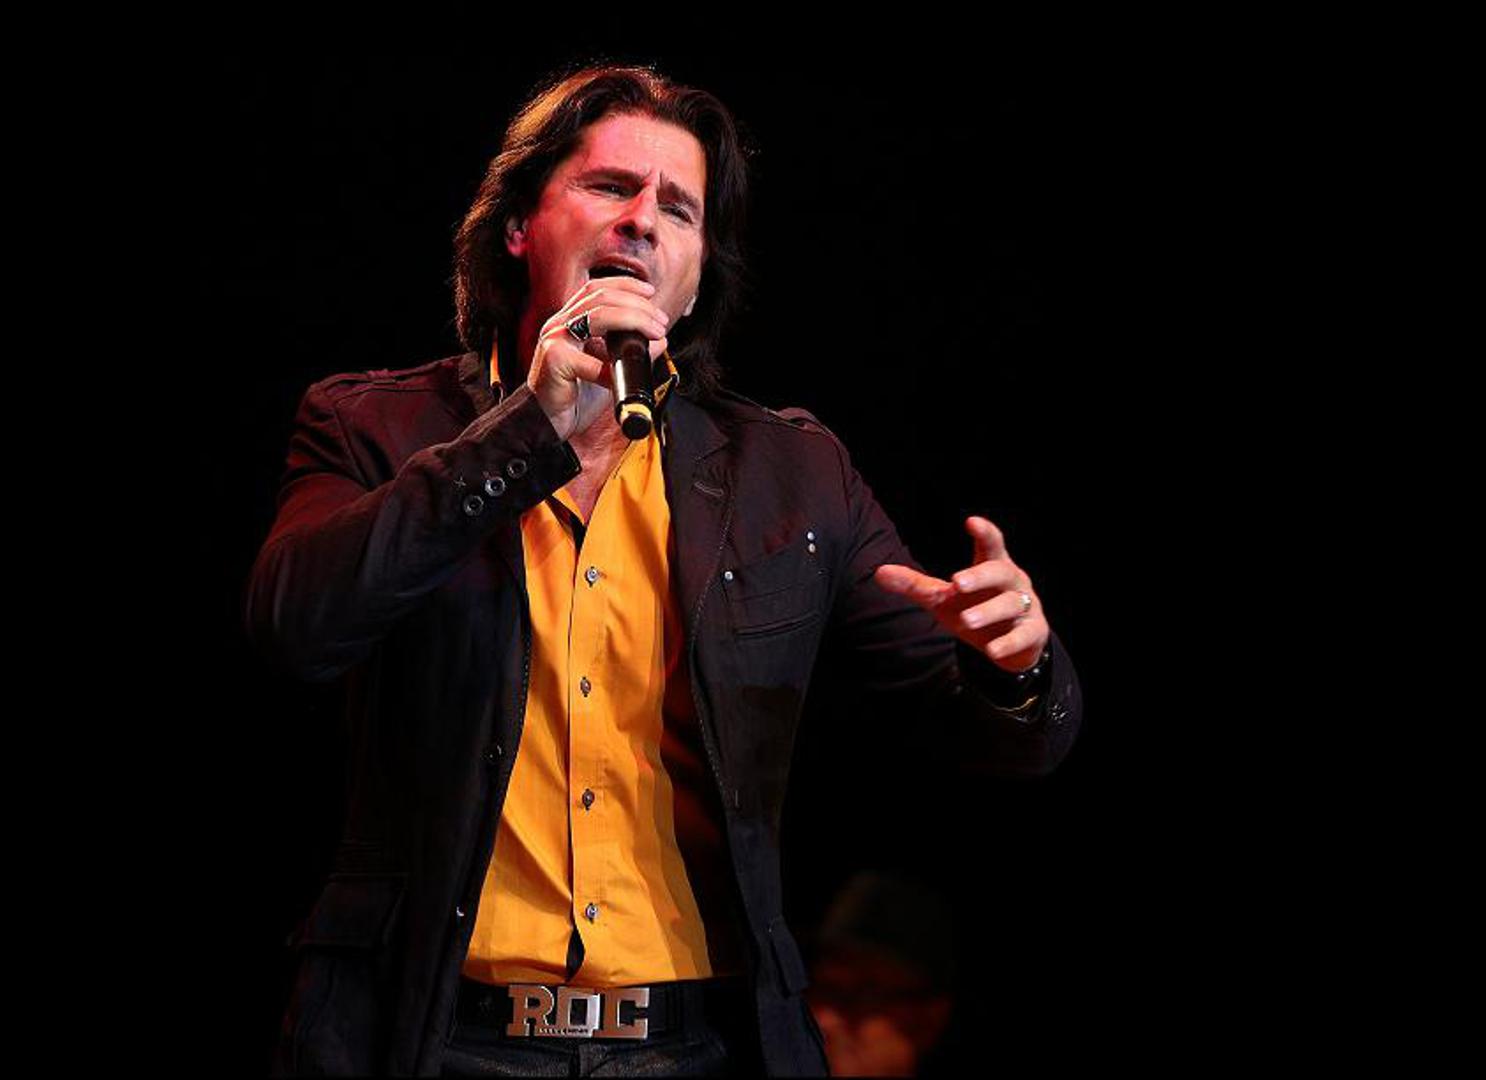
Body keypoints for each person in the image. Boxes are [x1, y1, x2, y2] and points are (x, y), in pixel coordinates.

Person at [247, 64, 1081, 1077]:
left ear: (691, 284)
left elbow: (1001, 740)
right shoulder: (371, 426)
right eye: (610, 187)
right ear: (517, 227)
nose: (642, 220)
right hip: (427, 1033)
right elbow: (296, 626)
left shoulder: (789, 475)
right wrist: (527, 429)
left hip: (691, 1047)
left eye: (678, 209)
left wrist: (1013, 666)